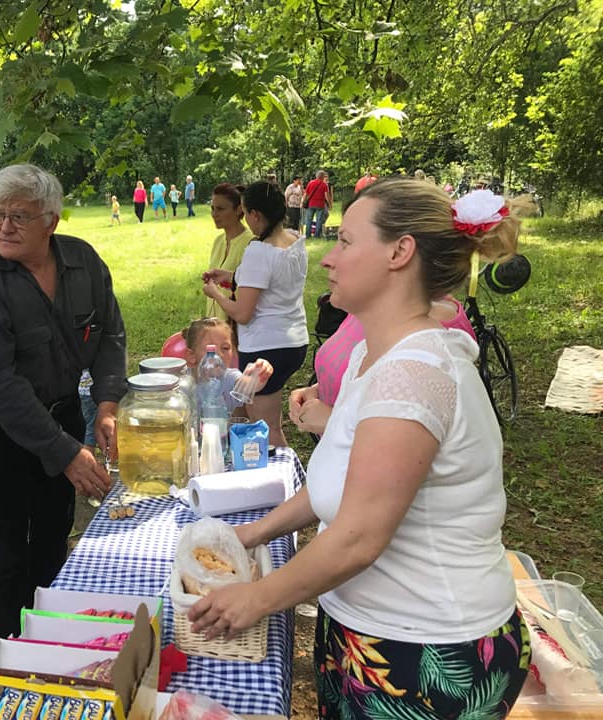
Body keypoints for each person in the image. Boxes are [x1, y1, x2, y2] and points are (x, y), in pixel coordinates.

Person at [188, 178, 531, 718]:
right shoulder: (372, 355)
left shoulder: (414, 373)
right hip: (369, 634)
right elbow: (338, 479)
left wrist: (256, 598)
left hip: (429, 652)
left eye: (346, 241)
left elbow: (359, 537)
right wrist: (249, 534)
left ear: (400, 252)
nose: (328, 257)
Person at [0, 163, 127, 656]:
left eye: (19, 217)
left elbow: (110, 335)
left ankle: (50, 636)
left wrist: (107, 404)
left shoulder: (83, 262)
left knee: (54, 530)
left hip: (65, 412)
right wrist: (65, 452)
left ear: (51, 220)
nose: (3, 227)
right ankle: (9, 651)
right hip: (1, 428)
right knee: (4, 544)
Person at [202, 181, 308, 447]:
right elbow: (272, 280)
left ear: (256, 215)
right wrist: (230, 276)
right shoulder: (294, 241)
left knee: (266, 428)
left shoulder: (257, 252)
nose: (246, 220)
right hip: (294, 342)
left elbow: (242, 313)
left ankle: (287, 472)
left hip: (265, 348)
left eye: (246, 212)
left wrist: (216, 294)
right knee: (266, 420)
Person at [291, 296, 477, 435]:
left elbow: (410, 437)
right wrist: (320, 388)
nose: (328, 261)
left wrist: (332, 420)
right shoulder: (371, 304)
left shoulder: (434, 331)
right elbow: (365, 374)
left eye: (347, 245)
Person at [180, 317, 273, 416]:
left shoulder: (230, 377)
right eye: (211, 349)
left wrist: (259, 373)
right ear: (192, 356)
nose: (220, 354)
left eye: (225, 348)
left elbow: (248, 386)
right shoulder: (181, 382)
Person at [203, 183, 253, 322]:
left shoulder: (251, 243)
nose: (214, 214)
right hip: (215, 324)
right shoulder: (218, 241)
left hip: (236, 324)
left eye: (220, 209)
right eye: (212, 208)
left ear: (238, 209)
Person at [303, 170, 329, 238]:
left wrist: (304, 201)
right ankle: (316, 235)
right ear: (322, 177)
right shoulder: (324, 185)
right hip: (320, 205)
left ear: (316, 176)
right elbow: (326, 195)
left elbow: (306, 194)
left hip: (311, 204)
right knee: (319, 220)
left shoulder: (310, 183)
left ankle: (307, 235)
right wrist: (329, 203)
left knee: (309, 220)